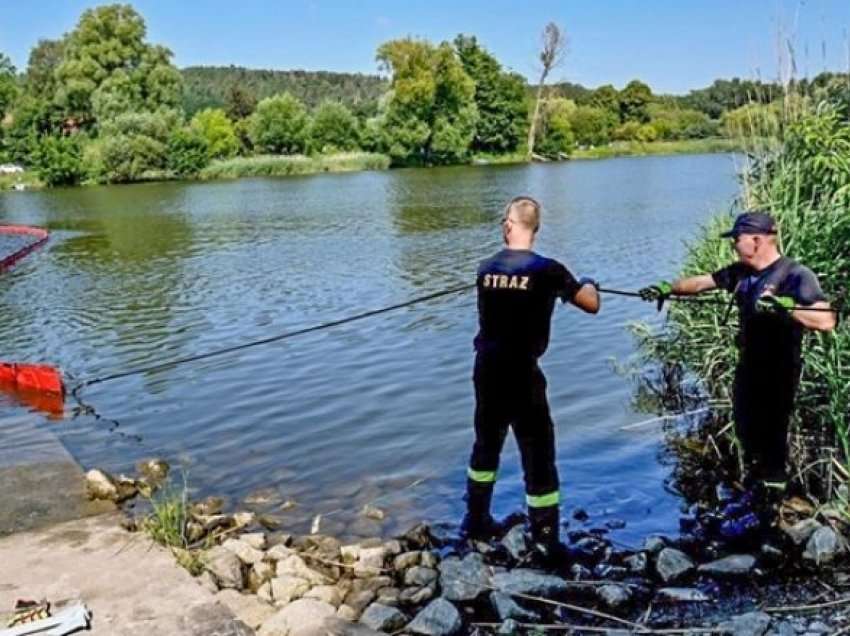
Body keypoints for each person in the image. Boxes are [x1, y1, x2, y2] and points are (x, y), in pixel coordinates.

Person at [639, 211, 836, 507]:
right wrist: (667, 288)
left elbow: (826, 320)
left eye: (737, 239)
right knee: (747, 430)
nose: (733, 244)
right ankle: (756, 493)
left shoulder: (796, 275)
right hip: (748, 368)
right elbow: (702, 283)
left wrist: (787, 307)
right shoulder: (742, 273)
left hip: (779, 370)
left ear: (757, 240)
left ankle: (773, 503)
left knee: (772, 436)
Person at [462, 195, 600, 563]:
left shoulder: (484, 267)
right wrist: (586, 282)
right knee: (538, 452)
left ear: (509, 225)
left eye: (502, 220)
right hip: (522, 372)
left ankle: (475, 522)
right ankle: (545, 539)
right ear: (534, 227)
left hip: (486, 369)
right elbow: (591, 304)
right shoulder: (548, 271)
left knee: (485, 445)